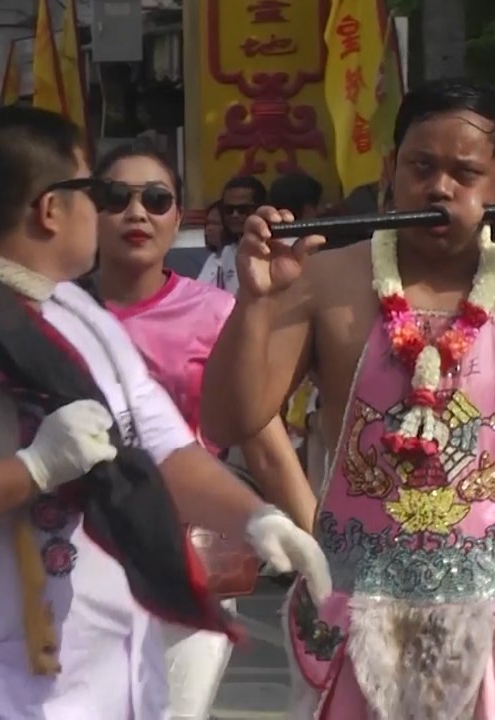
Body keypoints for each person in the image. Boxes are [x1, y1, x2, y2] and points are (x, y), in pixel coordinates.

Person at [0, 105, 330, 719]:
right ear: (49, 208)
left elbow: (164, 451)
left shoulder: (83, 319)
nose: (105, 211)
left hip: (113, 692)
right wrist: (35, 469)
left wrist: (256, 518)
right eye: (95, 192)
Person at [201, 78, 495, 719]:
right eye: (421, 167)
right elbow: (228, 419)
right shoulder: (323, 282)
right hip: (356, 624)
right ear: (390, 169)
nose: (439, 188)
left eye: (465, 173)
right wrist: (255, 303)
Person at [89, 142, 317, 718]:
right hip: (72, 569)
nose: (136, 213)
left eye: (156, 199)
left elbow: (262, 444)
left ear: (179, 215)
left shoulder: (216, 314)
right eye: (116, 198)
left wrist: (322, 553)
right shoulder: (51, 315)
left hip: (187, 564)